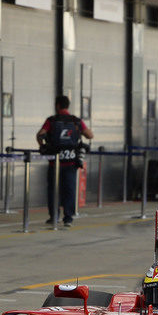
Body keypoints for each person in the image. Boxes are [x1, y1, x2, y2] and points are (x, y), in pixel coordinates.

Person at [35, 95, 93, 226]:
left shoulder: (51, 120)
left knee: (53, 190)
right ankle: (68, 218)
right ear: (68, 106)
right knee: (69, 190)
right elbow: (90, 135)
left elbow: (40, 135)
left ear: (57, 105)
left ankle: (54, 217)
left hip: (54, 161)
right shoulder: (76, 121)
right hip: (71, 161)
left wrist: (42, 146)